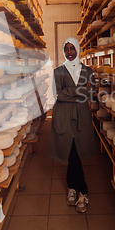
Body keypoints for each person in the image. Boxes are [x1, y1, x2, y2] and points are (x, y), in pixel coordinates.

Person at [49, 37, 96, 213]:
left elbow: (92, 91)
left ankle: (71, 187)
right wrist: (80, 90)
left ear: (77, 49)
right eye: (66, 49)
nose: (69, 52)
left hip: (81, 115)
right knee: (71, 152)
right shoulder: (58, 71)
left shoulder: (87, 70)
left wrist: (75, 92)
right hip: (63, 115)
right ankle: (83, 191)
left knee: (75, 152)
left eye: (72, 49)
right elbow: (58, 95)